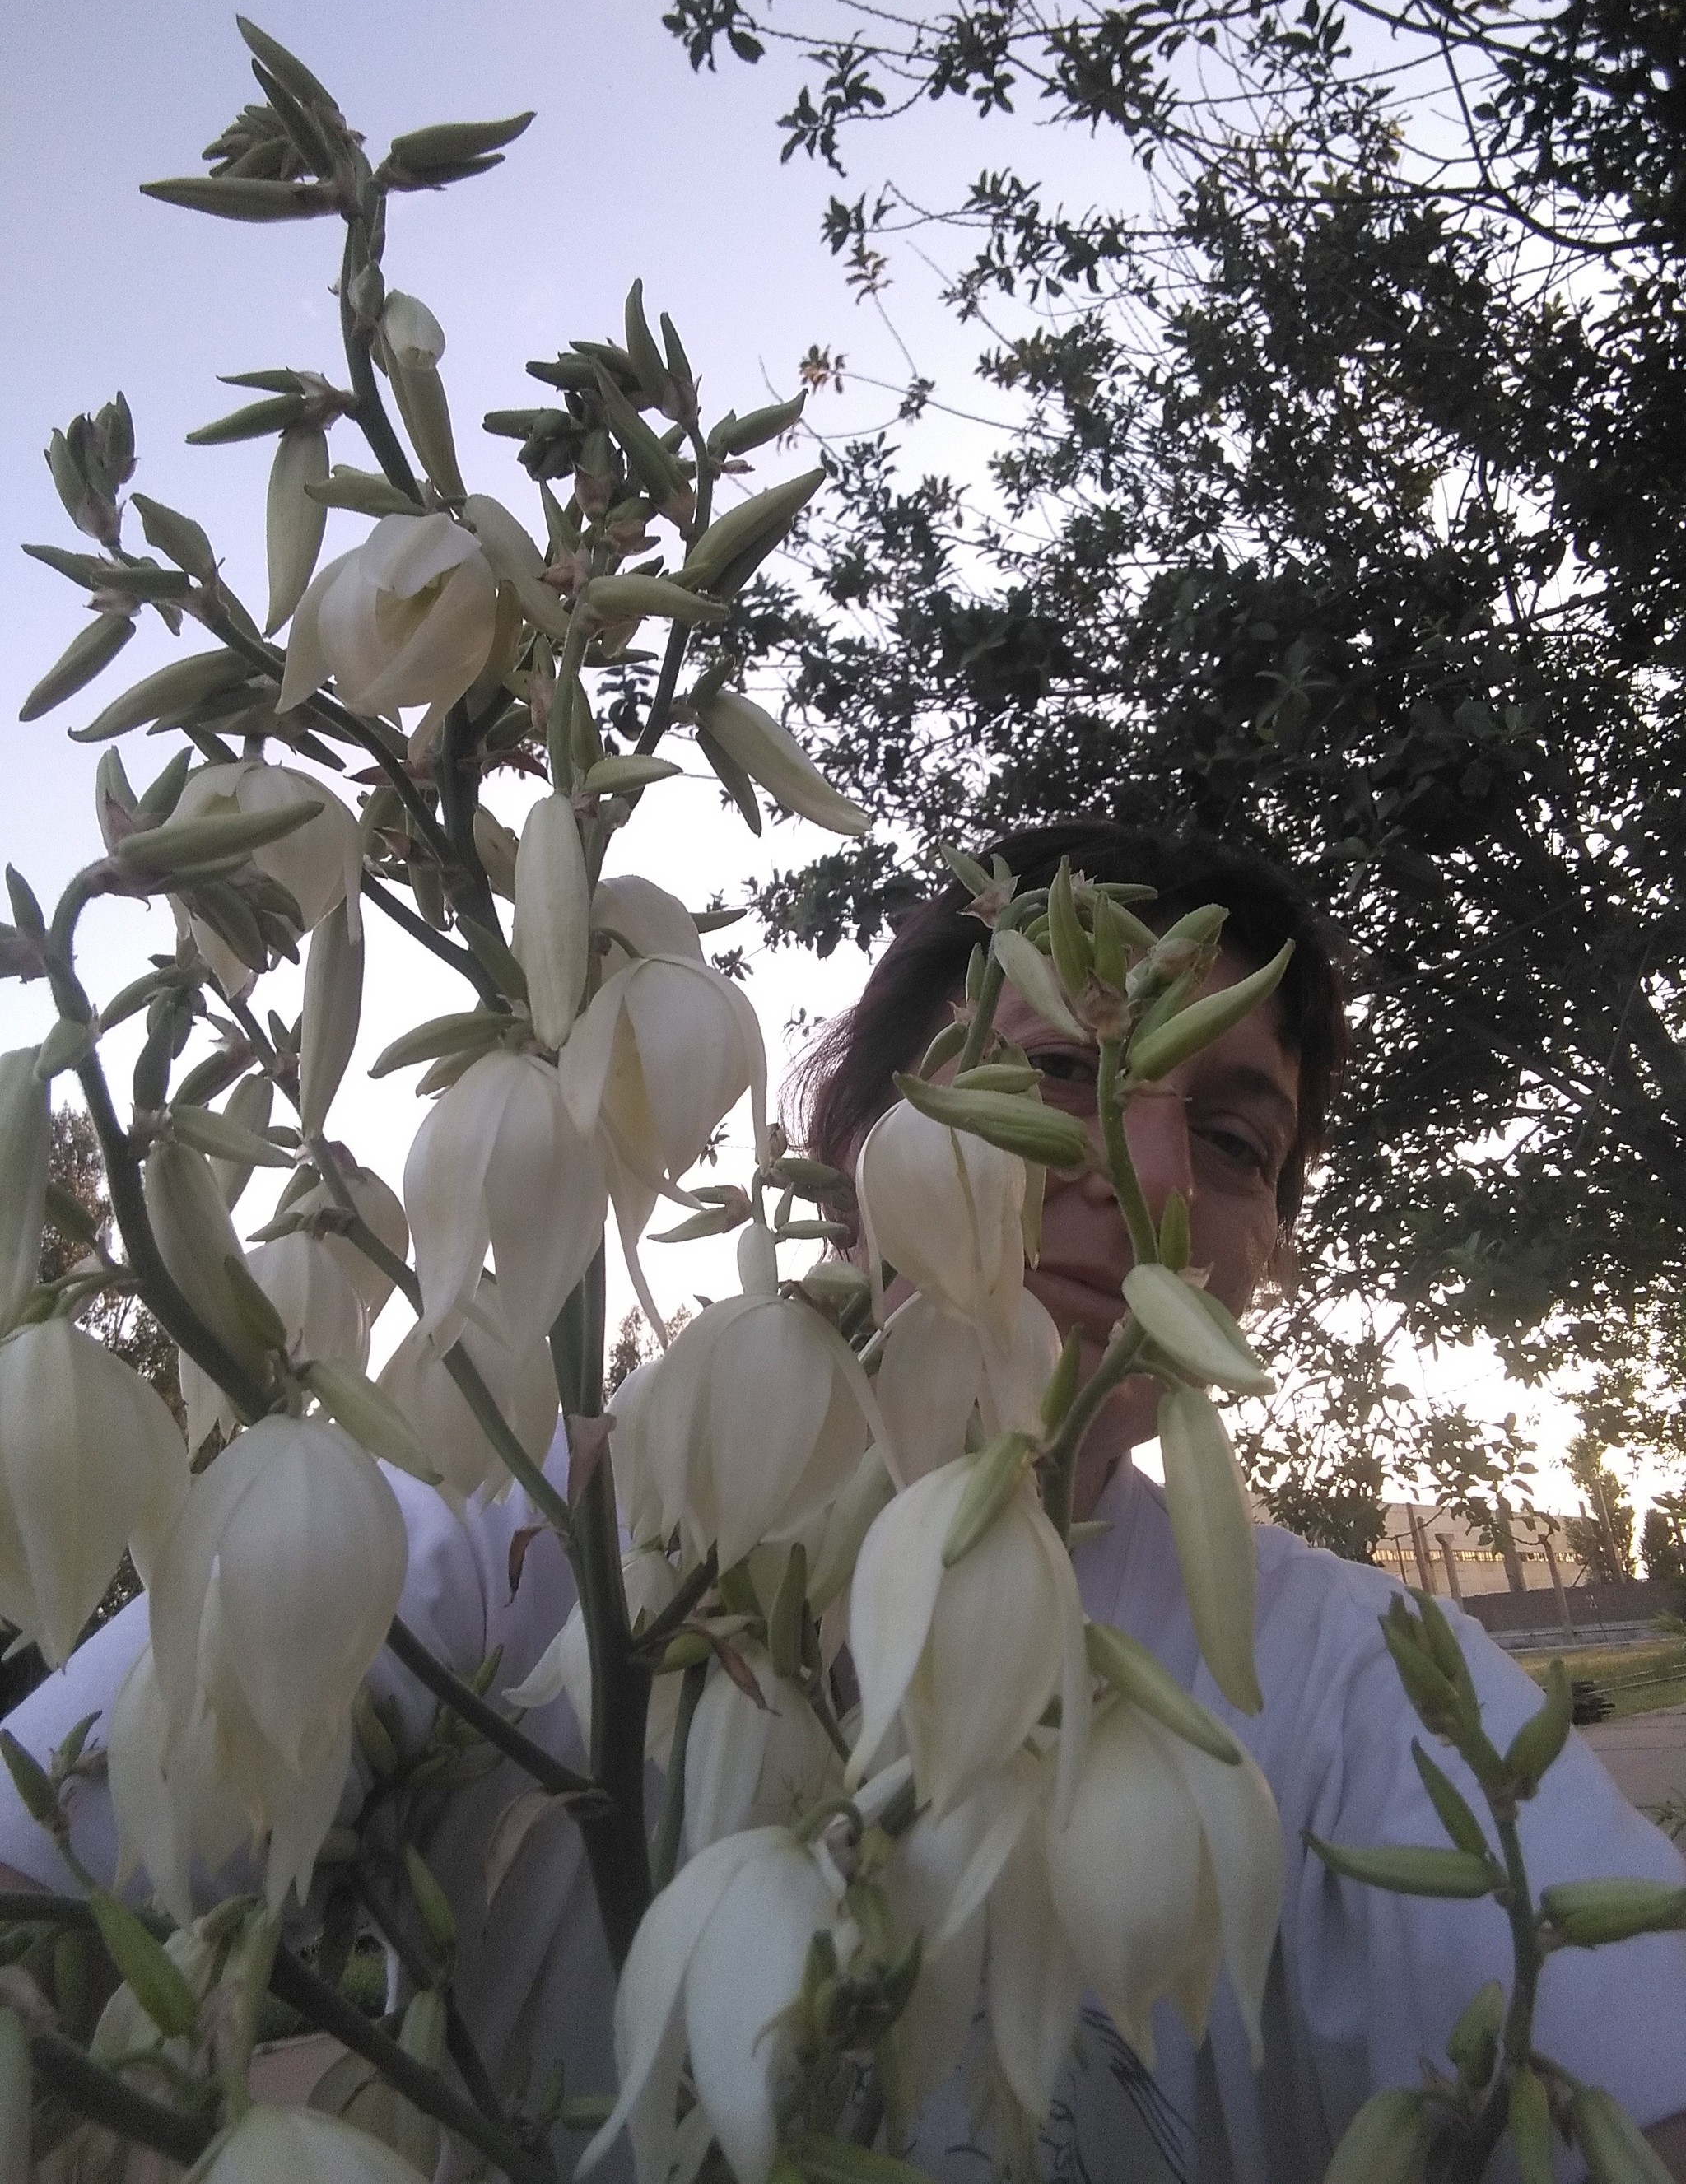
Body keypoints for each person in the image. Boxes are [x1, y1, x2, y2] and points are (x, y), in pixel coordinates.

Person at [3, 818, 1684, 2184]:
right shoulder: (494, 1539)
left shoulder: (1361, 1685)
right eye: (1044, 1078)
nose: (1144, 1175)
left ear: (1266, 1264)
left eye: (1235, 1145)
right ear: (853, 1147)